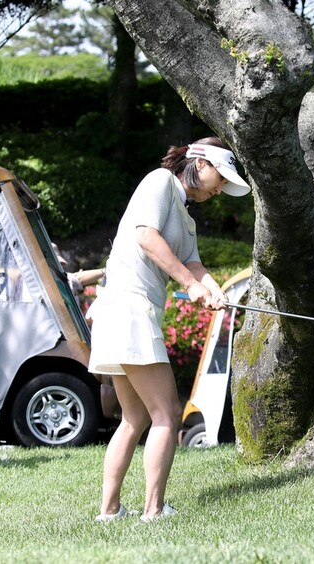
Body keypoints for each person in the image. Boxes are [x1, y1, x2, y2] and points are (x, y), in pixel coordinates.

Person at [88, 136, 251, 522]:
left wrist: (214, 290)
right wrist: (193, 288)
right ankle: (154, 510)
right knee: (166, 411)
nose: (220, 189)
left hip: (126, 313)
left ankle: (109, 511)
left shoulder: (187, 218)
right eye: (220, 178)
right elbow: (147, 237)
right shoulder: (159, 182)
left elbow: (193, 264)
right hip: (127, 309)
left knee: (135, 417)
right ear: (200, 162)